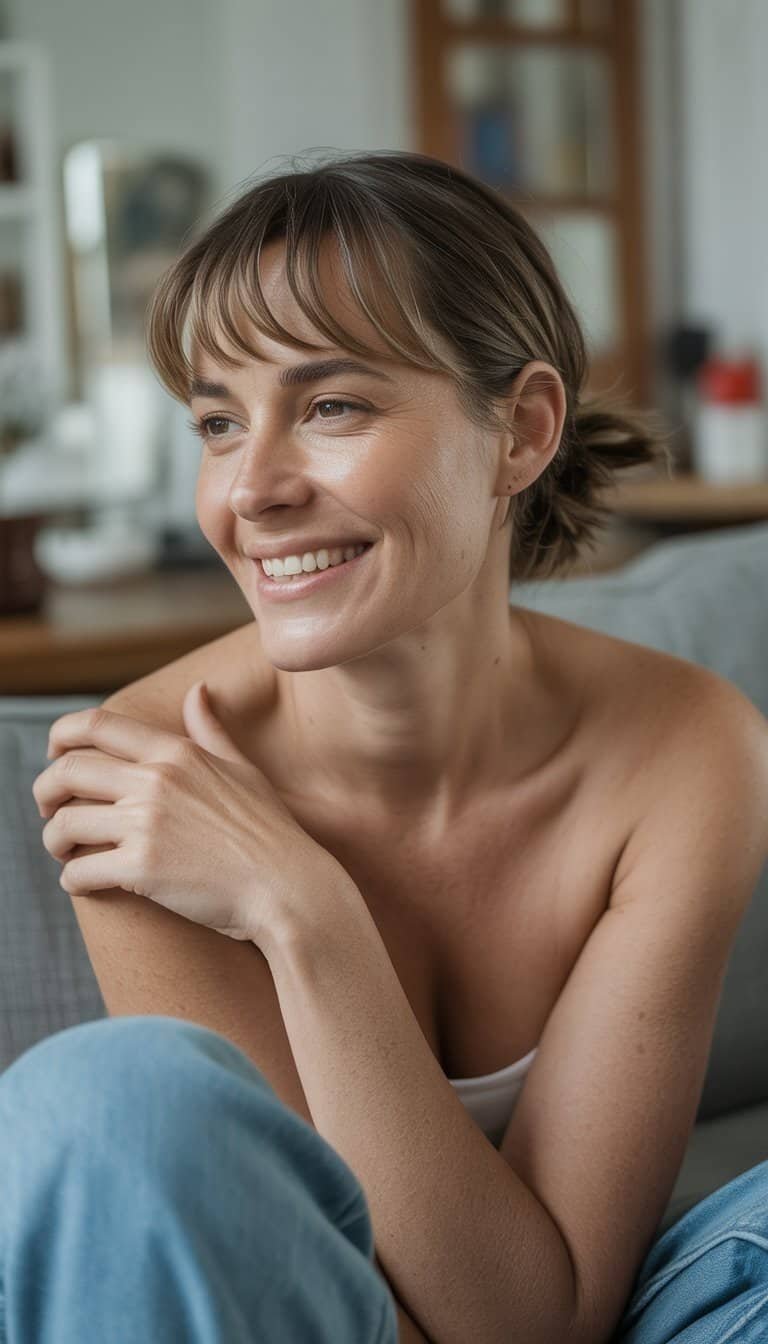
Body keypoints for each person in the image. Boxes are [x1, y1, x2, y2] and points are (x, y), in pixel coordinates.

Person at [14, 149, 768, 1343]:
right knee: (107, 1101)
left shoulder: (689, 749)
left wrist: (302, 910)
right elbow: (271, 1275)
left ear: (520, 433)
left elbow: (547, 1317)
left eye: (329, 406)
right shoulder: (141, 778)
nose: (250, 489)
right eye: (217, 421)